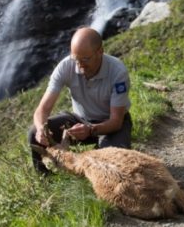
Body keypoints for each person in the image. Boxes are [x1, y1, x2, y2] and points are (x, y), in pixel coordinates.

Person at [29, 26, 132, 173]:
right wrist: (40, 129)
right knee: (33, 132)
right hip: (79, 121)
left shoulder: (118, 72)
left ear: (100, 52)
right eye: (76, 58)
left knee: (112, 164)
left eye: (86, 59)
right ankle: (45, 178)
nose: (80, 65)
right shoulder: (65, 67)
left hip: (111, 125)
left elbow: (116, 122)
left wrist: (90, 130)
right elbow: (42, 110)